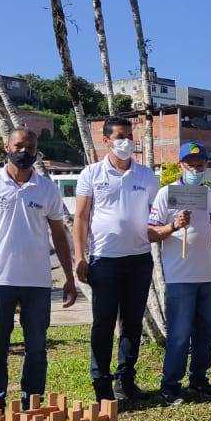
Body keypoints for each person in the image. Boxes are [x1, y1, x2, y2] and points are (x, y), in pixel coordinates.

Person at [0, 127, 77, 408]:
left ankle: (31, 404)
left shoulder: (47, 188)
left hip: (38, 284)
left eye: (30, 148)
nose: (24, 152)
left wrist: (69, 277)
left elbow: (59, 235)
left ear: (36, 151)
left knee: (36, 350)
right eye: (19, 146)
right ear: (7, 147)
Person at [73, 116, 161, 403]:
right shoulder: (91, 174)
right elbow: (82, 217)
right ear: (106, 139)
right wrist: (80, 256)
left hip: (139, 260)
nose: (126, 141)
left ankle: (126, 379)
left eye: (129, 135)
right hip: (104, 260)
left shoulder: (147, 176)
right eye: (120, 136)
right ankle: (101, 383)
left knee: (132, 323)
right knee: (103, 323)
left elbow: (156, 217)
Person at [149, 142, 211, 406]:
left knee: (206, 332)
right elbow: (150, 232)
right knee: (179, 334)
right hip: (180, 278)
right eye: (191, 165)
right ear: (180, 165)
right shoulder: (166, 194)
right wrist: (173, 225)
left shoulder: (208, 194)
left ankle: (199, 379)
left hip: (207, 277)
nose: (196, 169)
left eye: (200, 165)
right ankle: (170, 386)